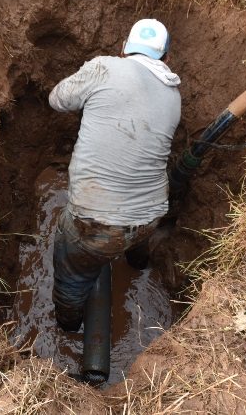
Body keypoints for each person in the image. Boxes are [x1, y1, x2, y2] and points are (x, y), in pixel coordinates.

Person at [48, 19, 182, 332]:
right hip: (151, 217)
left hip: (96, 222)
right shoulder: (173, 95)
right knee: (132, 237)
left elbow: (57, 99)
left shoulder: (105, 67)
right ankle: (136, 264)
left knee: (73, 272)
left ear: (123, 47)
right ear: (164, 58)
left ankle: (67, 326)